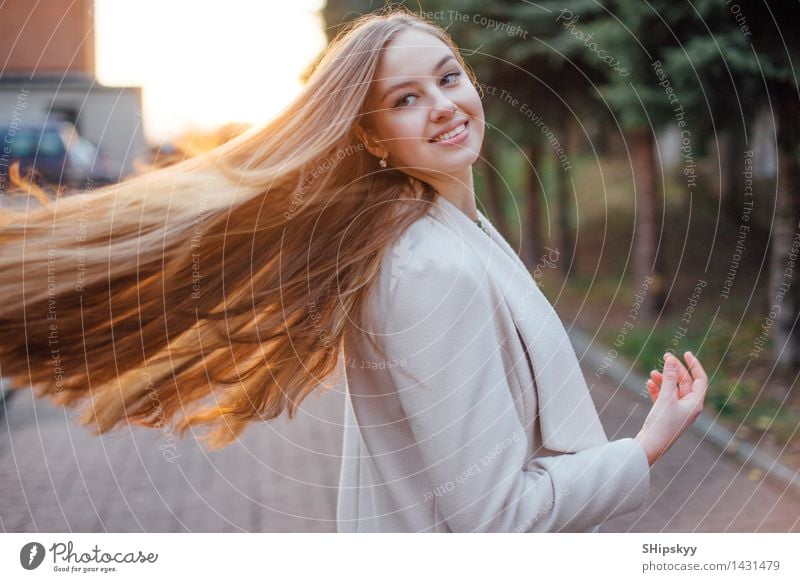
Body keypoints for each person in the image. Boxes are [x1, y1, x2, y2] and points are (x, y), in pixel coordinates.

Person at [0, 7, 707, 533]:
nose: (443, 106)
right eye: (405, 99)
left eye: (448, 76)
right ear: (369, 135)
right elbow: (495, 518)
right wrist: (647, 444)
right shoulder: (429, 265)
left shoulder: (437, 231)